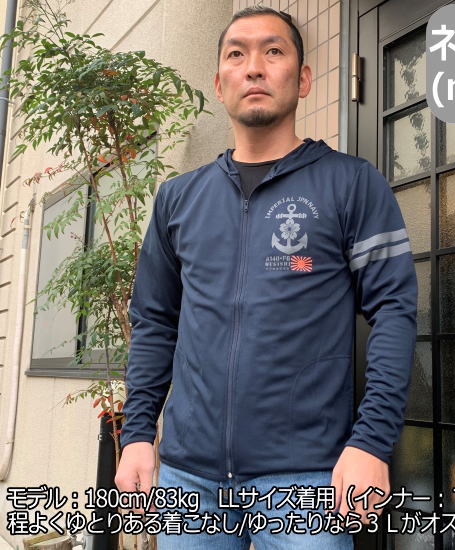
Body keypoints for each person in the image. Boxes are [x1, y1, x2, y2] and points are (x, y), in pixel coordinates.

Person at [115, 6, 418, 549]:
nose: (254, 66)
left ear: (303, 80)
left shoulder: (351, 184)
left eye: (273, 51)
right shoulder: (178, 199)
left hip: (306, 478)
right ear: (219, 83)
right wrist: (137, 434)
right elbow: (154, 321)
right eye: (237, 54)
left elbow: (394, 311)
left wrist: (371, 442)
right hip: (188, 479)